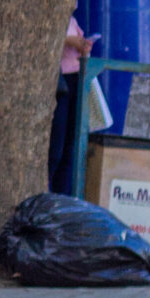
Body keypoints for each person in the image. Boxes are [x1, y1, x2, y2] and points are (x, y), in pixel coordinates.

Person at [49, 10, 95, 195]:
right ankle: (47, 192)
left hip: (75, 79)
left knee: (70, 147)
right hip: (59, 82)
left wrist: (83, 46)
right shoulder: (52, 14)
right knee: (56, 149)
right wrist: (70, 41)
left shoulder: (72, 19)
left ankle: (61, 196)